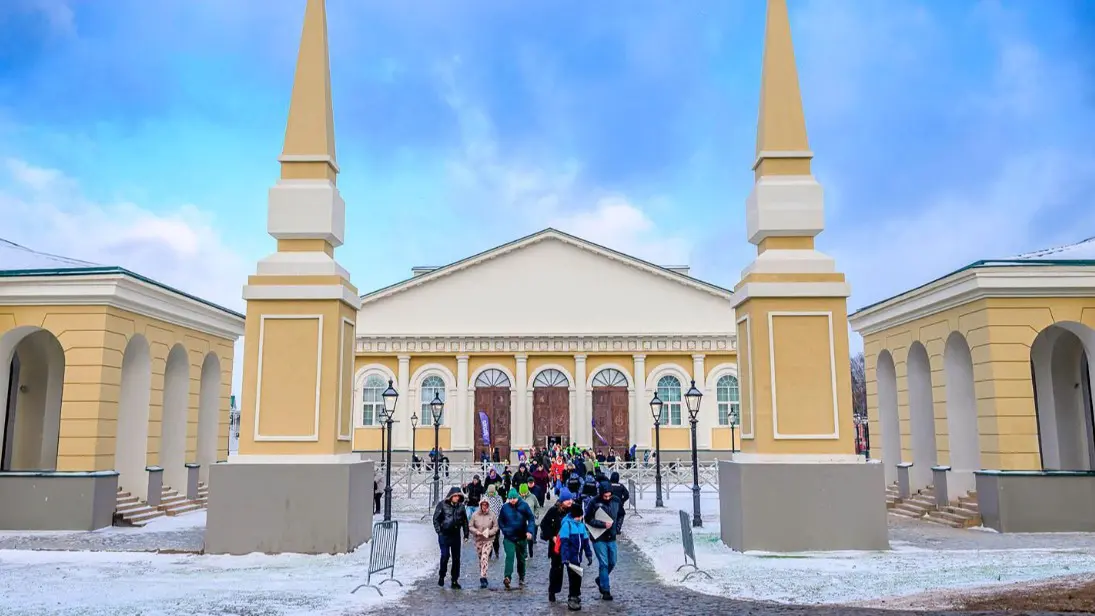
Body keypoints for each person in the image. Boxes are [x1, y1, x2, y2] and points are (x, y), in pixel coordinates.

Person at [584, 481, 621, 601]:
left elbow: (621, 514)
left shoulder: (616, 500)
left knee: (613, 561)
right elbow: (588, 519)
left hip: (612, 536)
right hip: (598, 537)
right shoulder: (594, 502)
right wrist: (602, 524)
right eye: (605, 496)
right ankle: (606, 590)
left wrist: (617, 527)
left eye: (609, 495)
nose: (607, 498)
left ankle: (600, 579)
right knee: (604, 563)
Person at [497, 488, 536, 589]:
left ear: (517, 497)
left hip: (521, 537)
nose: (512, 500)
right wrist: (505, 530)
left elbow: (531, 518)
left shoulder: (524, 506)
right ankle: (507, 577)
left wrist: (529, 531)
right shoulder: (505, 508)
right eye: (510, 498)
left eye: (514, 498)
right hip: (509, 537)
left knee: (521, 559)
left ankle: (521, 576)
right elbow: (500, 521)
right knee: (509, 556)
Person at [540, 487, 574, 604]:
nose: (570, 501)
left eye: (571, 499)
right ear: (562, 501)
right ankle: (552, 591)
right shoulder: (553, 511)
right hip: (556, 546)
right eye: (567, 500)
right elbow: (544, 524)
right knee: (556, 569)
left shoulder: (574, 510)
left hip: (570, 545)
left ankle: (573, 595)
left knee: (573, 570)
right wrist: (552, 536)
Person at [559, 500, 593, 611]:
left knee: (578, 577)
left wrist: (589, 554)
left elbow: (585, 542)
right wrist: (564, 558)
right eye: (578, 516)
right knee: (573, 578)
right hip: (570, 558)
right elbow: (564, 544)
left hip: (578, 558)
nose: (580, 518)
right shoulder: (566, 525)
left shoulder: (581, 526)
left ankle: (576, 595)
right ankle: (572, 597)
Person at [432, 486, 469, 589]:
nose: (457, 498)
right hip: (444, 534)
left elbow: (465, 521)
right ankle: (442, 575)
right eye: (455, 496)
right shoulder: (442, 505)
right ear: (451, 496)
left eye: (458, 496)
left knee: (456, 558)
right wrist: (439, 531)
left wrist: (466, 534)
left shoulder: (461, 507)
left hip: (456, 535)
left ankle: (454, 580)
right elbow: (436, 519)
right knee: (445, 556)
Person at [469, 498, 499, 589]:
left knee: (484, 557)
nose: (485, 507)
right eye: (483, 505)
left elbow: (496, 527)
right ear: (480, 505)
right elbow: (470, 526)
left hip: (488, 540)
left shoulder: (492, 515)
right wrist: (476, 531)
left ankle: (483, 578)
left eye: (486, 505)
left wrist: (489, 532)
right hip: (478, 539)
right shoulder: (475, 515)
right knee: (480, 558)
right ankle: (482, 572)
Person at [519, 482, 540, 558]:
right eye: (522, 493)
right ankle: (525, 553)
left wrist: (536, 514)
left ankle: (530, 550)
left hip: (530, 520)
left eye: (524, 493)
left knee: (530, 538)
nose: (523, 494)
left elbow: (537, 506)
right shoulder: (518, 498)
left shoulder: (532, 497)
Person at [484, 484, 504, 558]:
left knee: (496, 539)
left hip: (496, 521)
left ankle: (497, 552)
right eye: (490, 492)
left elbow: (501, 508)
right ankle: (489, 554)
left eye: (492, 492)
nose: (491, 494)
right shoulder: (485, 498)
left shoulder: (498, 498)